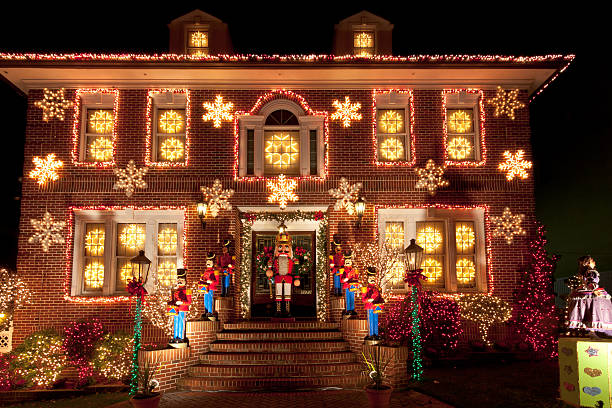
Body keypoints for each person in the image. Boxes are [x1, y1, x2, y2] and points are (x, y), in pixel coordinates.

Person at [567, 255, 612, 335]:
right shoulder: (591, 271)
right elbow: (591, 282)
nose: (594, 262)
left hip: (585, 291)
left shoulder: (585, 272)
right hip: (590, 292)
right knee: (593, 311)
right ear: (587, 263)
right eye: (592, 260)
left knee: (588, 311)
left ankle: (591, 332)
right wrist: (594, 289)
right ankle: (591, 332)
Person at [266, 230, 299, 317]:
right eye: (280, 247)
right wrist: (269, 271)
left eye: (286, 247)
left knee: (288, 294)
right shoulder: (274, 260)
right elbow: (270, 268)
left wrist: (297, 278)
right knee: (278, 294)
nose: (283, 249)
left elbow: (296, 269)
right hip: (278, 278)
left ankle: (288, 311)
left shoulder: (293, 260)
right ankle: (278, 310)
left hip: (288, 278)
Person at [167, 268, 192, 344]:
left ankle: (180, 337)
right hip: (176, 309)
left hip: (182, 309)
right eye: (179, 280)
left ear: (185, 281)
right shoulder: (175, 291)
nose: (180, 281)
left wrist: (181, 302)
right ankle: (175, 337)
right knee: (176, 323)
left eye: (182, 280)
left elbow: (189, 302)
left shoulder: (187, 290)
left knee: (181, 322)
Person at [362, 266, 384, 340]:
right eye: (370, 278)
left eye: (373, 278)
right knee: (371, 319)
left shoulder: (377, 288)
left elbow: (380, 297)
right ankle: (371, 334)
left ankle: (376, 334)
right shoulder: (365, 288)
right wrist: (369, 300)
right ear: (368, 279)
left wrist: (383, 300)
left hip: (376, 306)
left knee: (376, 320)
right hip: (370, 306)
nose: (372, 280)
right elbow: (363, 299)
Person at [199, 252, 219, 320]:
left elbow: (217, 281)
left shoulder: (215, 272)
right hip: (205, 288)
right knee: (205, 300)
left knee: (210, 300)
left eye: (210, 261)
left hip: (210, 288)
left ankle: (210, 312)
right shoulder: (205, 272)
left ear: (213, 263)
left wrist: (211, 281)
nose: (208, 262)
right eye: (207, 261)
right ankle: (206, 311)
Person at [340, 250, 359, 318]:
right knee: (348, 297)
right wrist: (345, 279)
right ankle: (348, 309)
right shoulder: (343, 270)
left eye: (349, 261)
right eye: (346, 262)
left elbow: (356, 278)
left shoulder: (353, 270)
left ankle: (352, 309)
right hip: (347, 286)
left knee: (352, 297)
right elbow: (341, 280)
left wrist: (356, 282)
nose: (348, 263)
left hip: (352, 286)